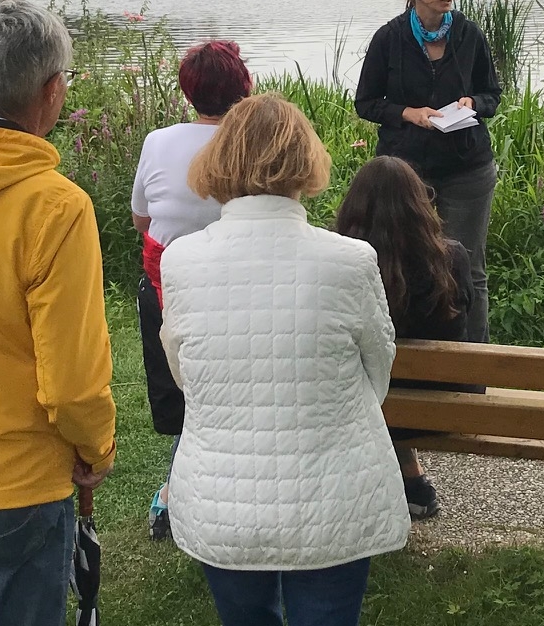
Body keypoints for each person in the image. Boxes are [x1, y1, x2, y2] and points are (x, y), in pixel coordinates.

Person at [160, 94, 409, 625]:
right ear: (305, 162)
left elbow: (184, 370)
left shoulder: (180, 261)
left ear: (219, 161)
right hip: (334, 498)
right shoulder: (351, 260)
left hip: (221, 500)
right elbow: (378, 371)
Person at [0, 0, 116, 626]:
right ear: (52, 91)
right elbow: (72, 379)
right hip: (14, 484)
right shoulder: (54, 207)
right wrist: (96, 449)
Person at [131, 40, 252, 541]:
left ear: (188, 91)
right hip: (240, 289)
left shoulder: (158, 141)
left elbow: (142, 218)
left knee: (188, 400)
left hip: (169, 295)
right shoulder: (256, 141)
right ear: (244, 87)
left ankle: (176, 488)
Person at [355, 0, 501, 343]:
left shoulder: (469, 35)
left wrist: (474, 104)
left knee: (469, 268)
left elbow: (493, 95)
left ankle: (475, 364)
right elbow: (366, 103)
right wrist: (408, 113)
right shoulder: (390, 37)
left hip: (467, 167)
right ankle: (407, 351)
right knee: (402, 261)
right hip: (408, 172)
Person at [335, 155, 473, 522]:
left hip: (366, 401)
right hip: (442, 405)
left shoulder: (341, 263)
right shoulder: (452, 258)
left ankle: (406, 482)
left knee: (368, 374)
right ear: (420, 204)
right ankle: (413, 483)